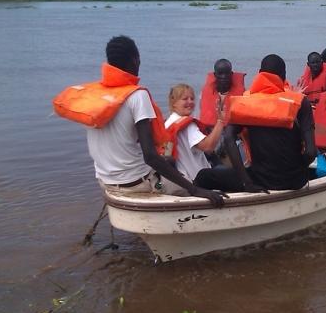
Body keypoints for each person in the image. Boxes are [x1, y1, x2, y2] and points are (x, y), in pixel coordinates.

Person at [53, 35, 225, 206]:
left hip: (106, 181)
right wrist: (196, 190)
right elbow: (150, 157)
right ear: (135, 60)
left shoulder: (96, 98)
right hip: (138, 182)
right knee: (192, 184)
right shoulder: (137, 95)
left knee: (170, 161)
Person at [195, 54, 317, 192]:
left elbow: (229, 138)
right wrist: (296, 170)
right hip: (294, 181)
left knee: (203, 176)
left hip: (259, 179)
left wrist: (246, 181)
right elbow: (311, 152)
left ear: (260, 74)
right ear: (283, 76)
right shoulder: (300, 102)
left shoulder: (247, 101)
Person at [163, 84, 226, 191]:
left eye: (192, 98)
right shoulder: (188, 125)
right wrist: (220, 121)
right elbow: (208, 147)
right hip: (198, 180)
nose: (190, 102)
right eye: (185, 99)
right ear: (174, 103)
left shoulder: (167, 124)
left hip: (181, 178)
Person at [198, 58, 245, 131]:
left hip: (233, 131)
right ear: (215, 75)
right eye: (220, 73)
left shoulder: (243, 94)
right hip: (211, 129)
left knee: (230, 131)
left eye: (227, 73)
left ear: (231, 74)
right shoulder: (204, 93)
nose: (224, 76)